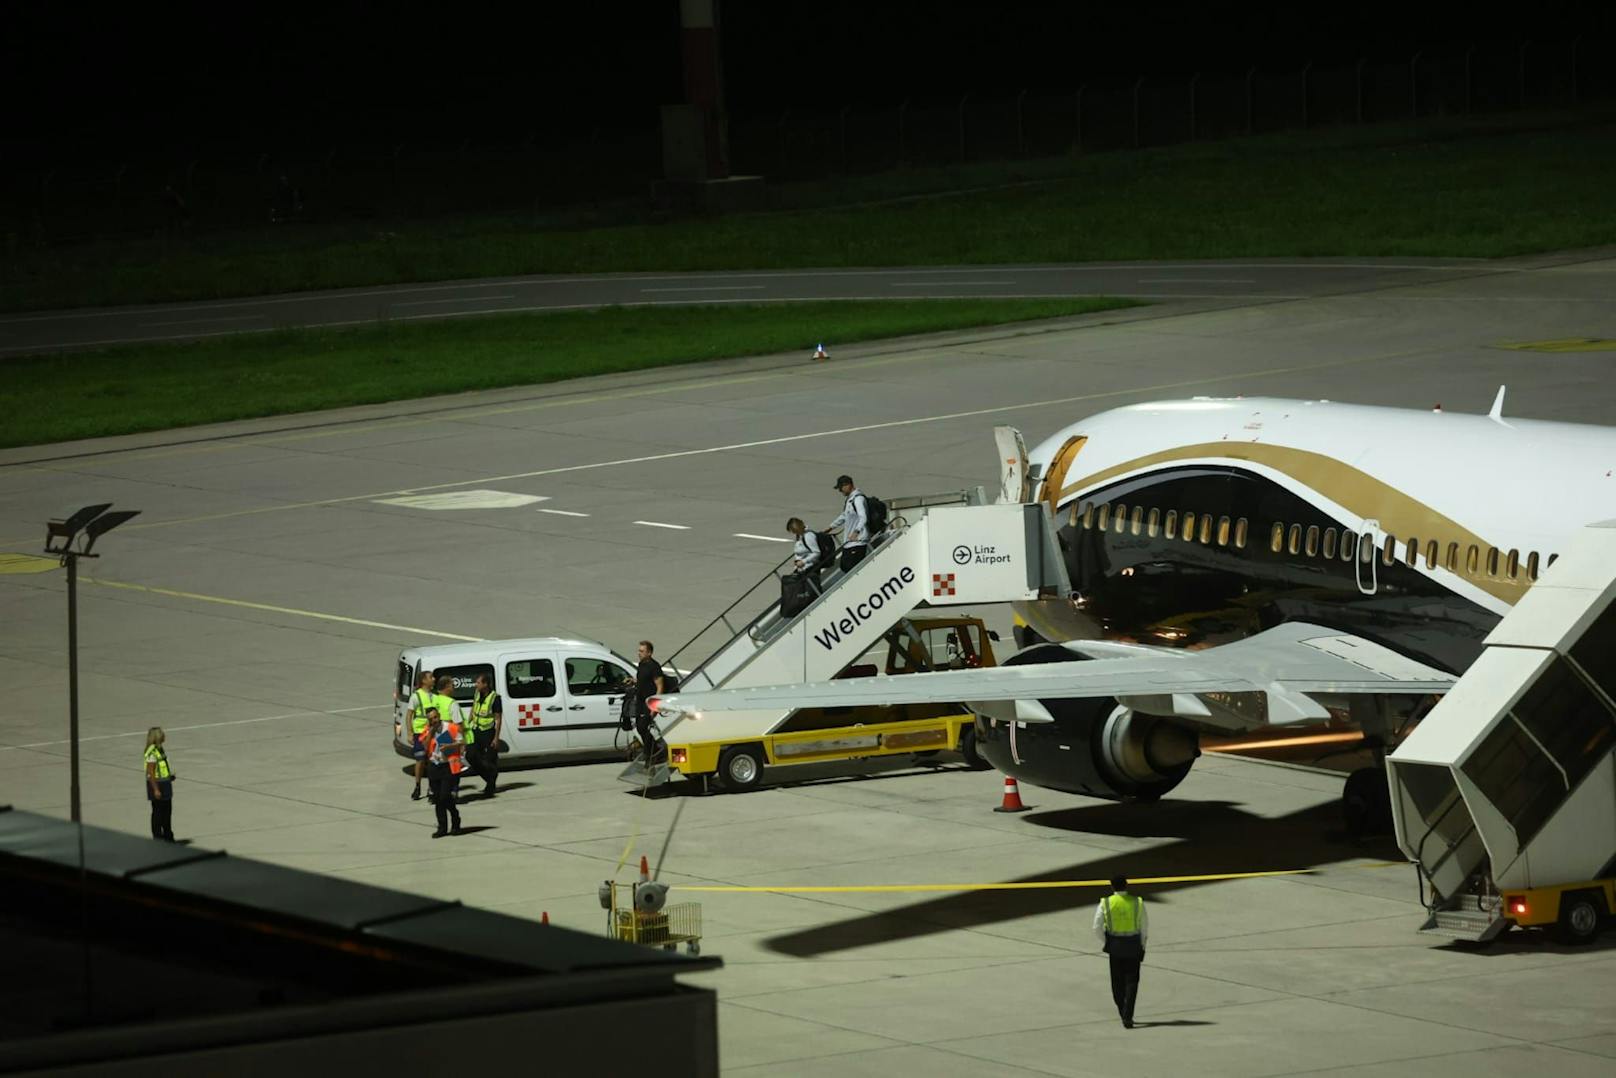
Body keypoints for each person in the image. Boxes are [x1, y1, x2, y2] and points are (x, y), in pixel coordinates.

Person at [1092, 876, 1149, 1028]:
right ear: (1126, 885)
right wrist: (1142, 945)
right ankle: (1128, 1015)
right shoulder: (1137, 902)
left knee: (1117, 983)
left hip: (1115, 946)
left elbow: (1096, 927)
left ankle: (1122, 1009)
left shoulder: (1106, 902)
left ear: (1111, 886)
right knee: (1132, 981)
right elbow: (1144, 927)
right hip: (1133, 945)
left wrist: (1107, 941)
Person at [424, 709, 465, 838]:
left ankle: (455, 817)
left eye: (435, 717)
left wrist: (449, 747)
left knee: (444, 796)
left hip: (447, 765)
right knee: (437, 798)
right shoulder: (428, 730)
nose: (434, 721)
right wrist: (430, 733)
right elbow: (425, 748)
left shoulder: (450, 727)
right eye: (431, 719)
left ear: (439, 716)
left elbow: (462, 743)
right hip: (434, 765)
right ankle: (442, 827)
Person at [464, 672, 503, 797]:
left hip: (488, 733)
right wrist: (467, 724)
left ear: (485, 684)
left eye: (478, 683)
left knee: (489, 760)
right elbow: (473, 709)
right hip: (475, 731)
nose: (476, 685)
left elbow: (498, 718)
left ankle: (490, 786)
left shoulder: (495, 698)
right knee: (471, 756)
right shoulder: (477, 693)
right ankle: (490, 778)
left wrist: (496, 738)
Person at [400, 669, 436, 800]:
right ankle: (417, 786)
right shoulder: (416, 696)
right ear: (423, 681)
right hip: (420, 733)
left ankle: (431, 787)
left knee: (432, 761)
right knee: (420, 760)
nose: (434, 679)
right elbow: (409, 715)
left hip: (432, 732)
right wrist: (409, 733)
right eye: (431, 677)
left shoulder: (434, 696)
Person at [830, 475, 871, 572]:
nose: (840, 491)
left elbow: (863, 517)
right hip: (849, 542)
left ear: (847, 485)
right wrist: (831, 527)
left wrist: (856, 532)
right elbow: (844, 516)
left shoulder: (858, 499)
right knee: (844, 567)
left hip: (858, 541)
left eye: (841, 488)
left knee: (851, 569)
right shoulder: (850, 499)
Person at [633, 640, 665, 762]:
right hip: (640, 702)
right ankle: (652, 750)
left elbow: (660, 687)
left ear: (649, 653)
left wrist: (655, 707)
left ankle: (652, 752)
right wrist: (634, 681)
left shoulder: (654, 667)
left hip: (649, 703)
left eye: (642, 651)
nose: (639, 653)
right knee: (640, 728)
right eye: (639, 650)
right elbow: (642, 680)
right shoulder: (641, 664)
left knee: (643, 726)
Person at [144, 727, 176, 842]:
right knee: (158, 813)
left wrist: (168, 777)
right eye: (162, 734)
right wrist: (156, 789)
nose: (164, 736)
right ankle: (159, 837)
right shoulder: (152, 752)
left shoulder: (159, 749)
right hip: (157, 785)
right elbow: (150, 772)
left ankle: (167, 836)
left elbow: (160, 768)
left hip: (164, 783)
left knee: (167, 812)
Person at [786, 517, 830, 593]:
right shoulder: (800, 536)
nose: (793, 533)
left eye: (793, 530)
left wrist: (804, 561)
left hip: (810, 568)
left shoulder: (808, 536)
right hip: (802, 568)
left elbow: (816, 553)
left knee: (810, 591)